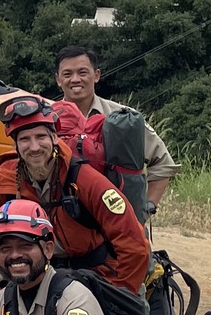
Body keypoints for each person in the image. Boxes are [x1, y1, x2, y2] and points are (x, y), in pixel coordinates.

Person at [0, 94, 150, 300]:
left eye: (41, 137)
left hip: (95, 276)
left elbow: (133, 242)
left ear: (54, 137)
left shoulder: (84, 179)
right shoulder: (4, 183)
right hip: (33, 278)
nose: (34, 147)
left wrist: (117, 294)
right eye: (25, 139)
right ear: (15, 145)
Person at [54, 45, 179, 217]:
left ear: (96, 75)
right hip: (64, 223)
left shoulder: (124, 118)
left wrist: (147, 208)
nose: (75, 79)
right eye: (67, 74)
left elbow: (163, 163)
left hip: (119, 221)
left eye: (82, 72)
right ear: (58, 79)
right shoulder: (46, 120)